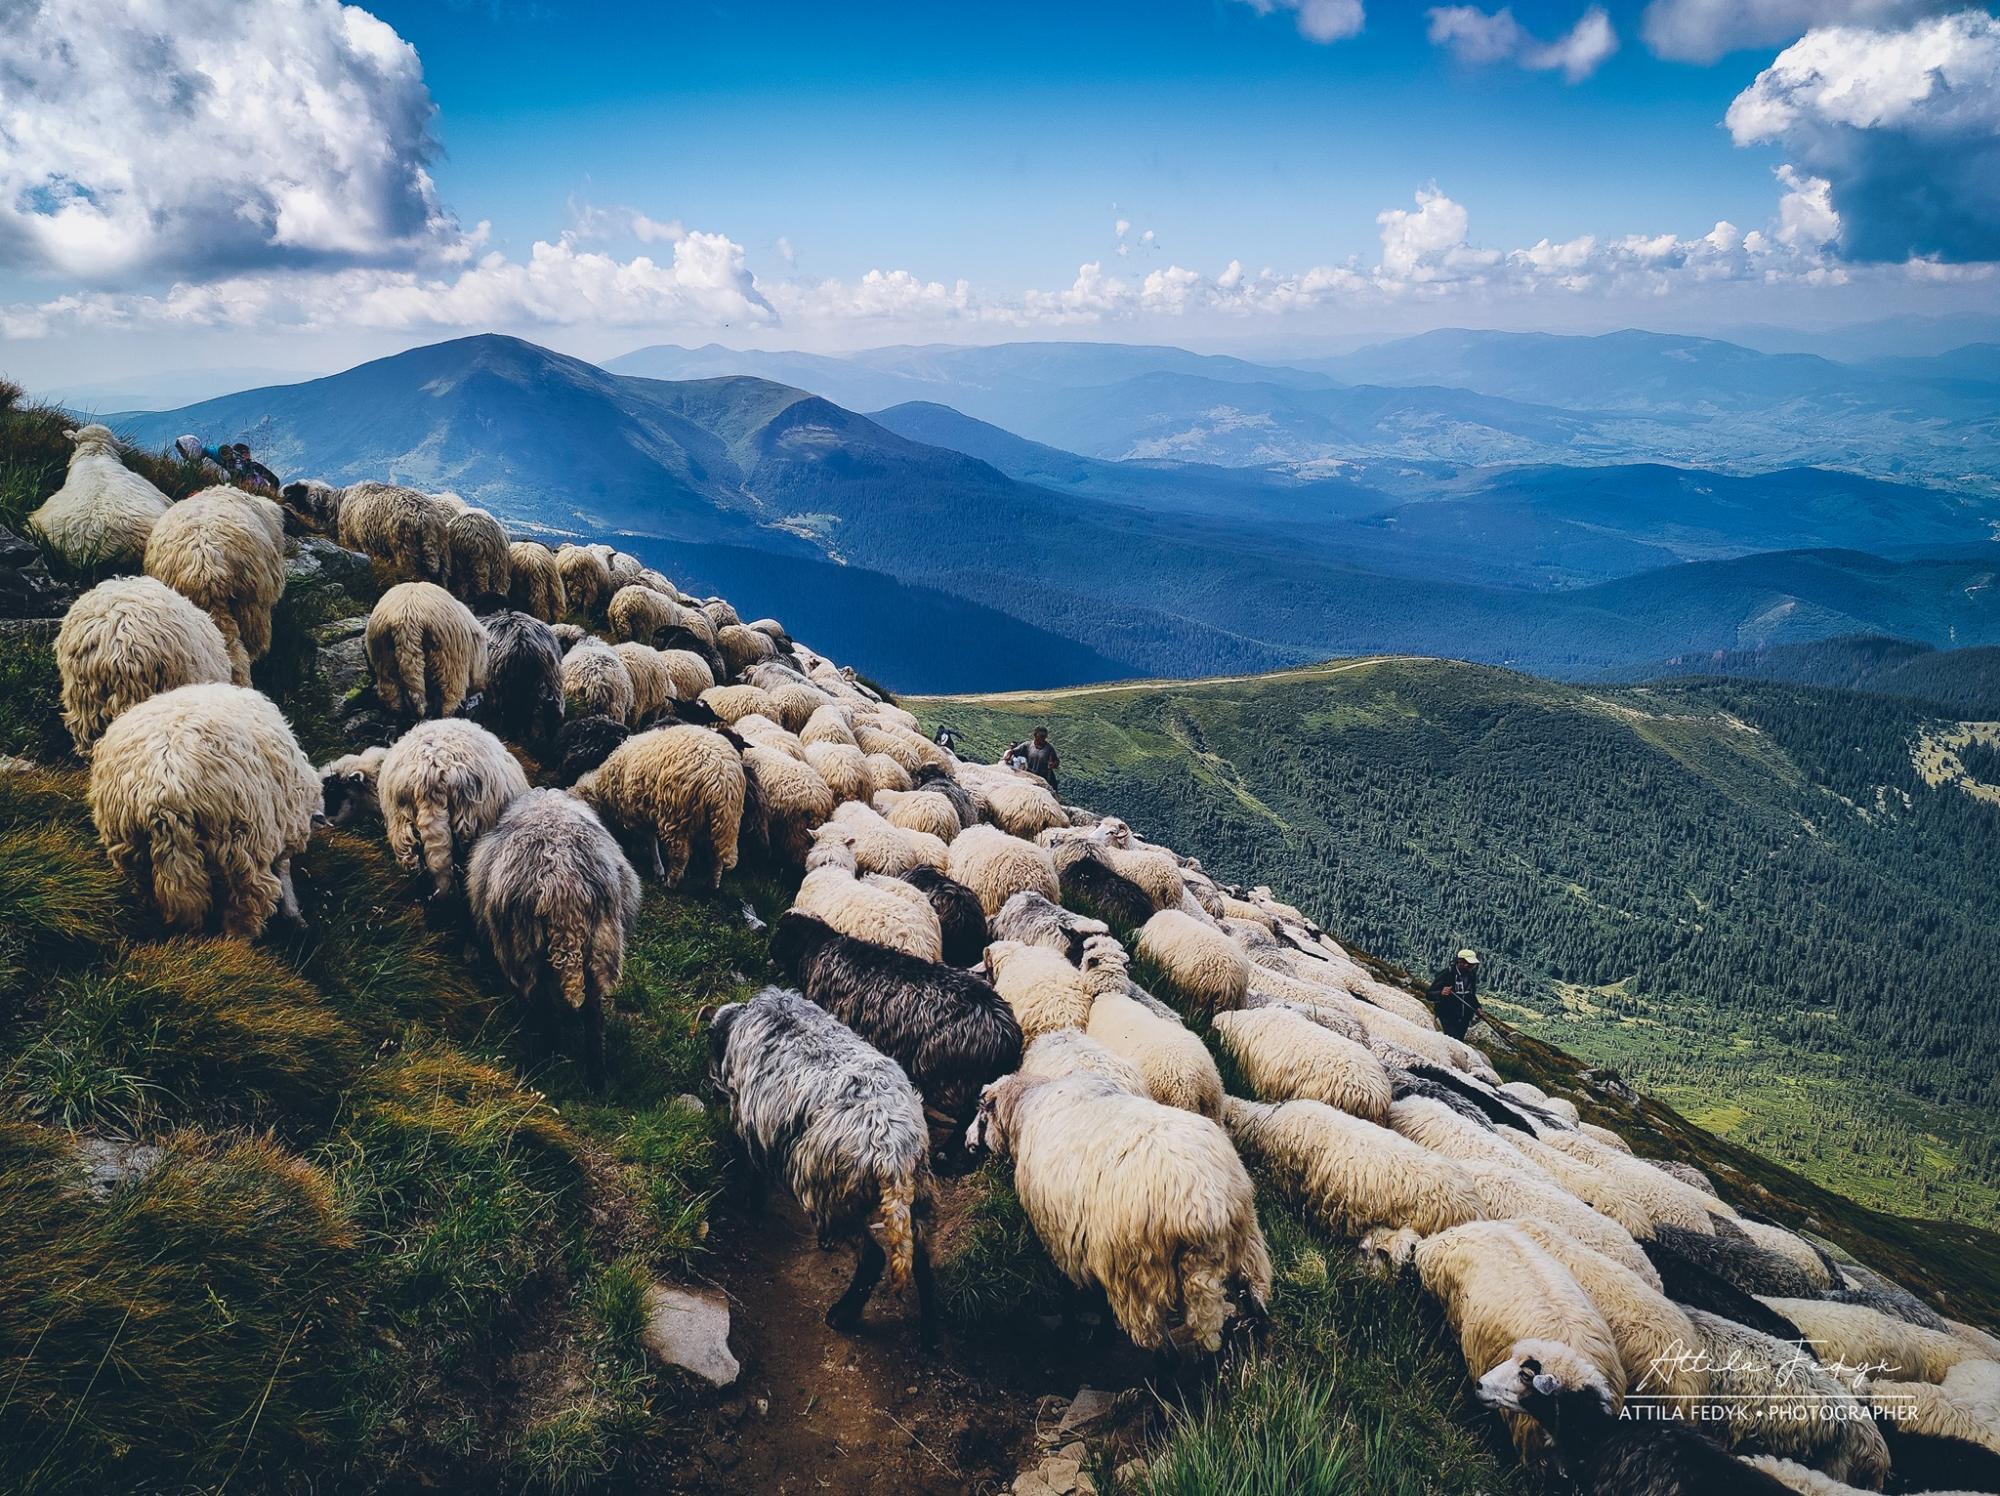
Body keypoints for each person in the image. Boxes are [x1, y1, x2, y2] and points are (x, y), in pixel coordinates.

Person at [1427, 949, 1480, 1040]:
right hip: (1447, 1018)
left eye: (1472, 964)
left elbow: (1471, 995)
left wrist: (1478, 1008)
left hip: (1464, 1019)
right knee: (1453, 1041)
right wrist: (1441, 993)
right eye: (1469, 964)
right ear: (1460, 962)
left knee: (1459, 1041)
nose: (1471, 967)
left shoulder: (1471, 976)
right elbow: (1429, 994)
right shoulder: (1447, 974)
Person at [1003, 726, 1060, 796]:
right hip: (1030, 775)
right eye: (1041, 736)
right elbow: (1013, 751)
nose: (1043, 738)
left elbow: (1056, 761)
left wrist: (1053, 764)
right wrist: (1009, 754)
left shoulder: (1049, 748)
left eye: (1044, 736)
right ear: (1035, 735)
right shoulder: (1028, 745)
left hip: (1044, 777)